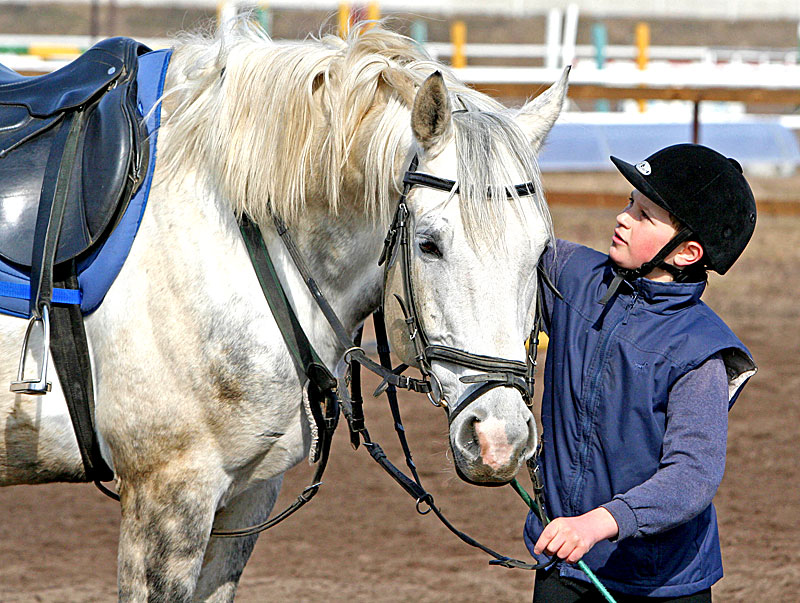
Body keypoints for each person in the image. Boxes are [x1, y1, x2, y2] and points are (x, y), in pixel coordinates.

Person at [524, 143, 758, 602]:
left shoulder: (701, 349)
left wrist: (598, 523)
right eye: (630, 201)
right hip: (564, 562)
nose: (623, 217)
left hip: (660, 583)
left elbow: (692, 475)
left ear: (687, 252)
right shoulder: (571, 275)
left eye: (645, 214)